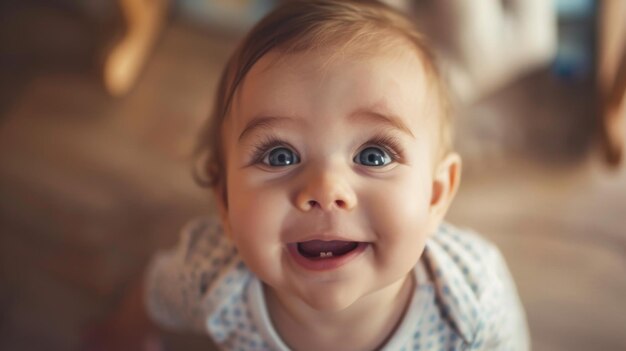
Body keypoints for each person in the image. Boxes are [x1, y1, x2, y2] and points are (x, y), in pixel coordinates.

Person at [84, 1, 529, 350]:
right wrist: (124, 335)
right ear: (224, 202)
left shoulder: (471, 299)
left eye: (374, 155)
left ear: (436, 195)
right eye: (279, 155)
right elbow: (156, 294)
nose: (324, 190)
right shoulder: (211, 277)